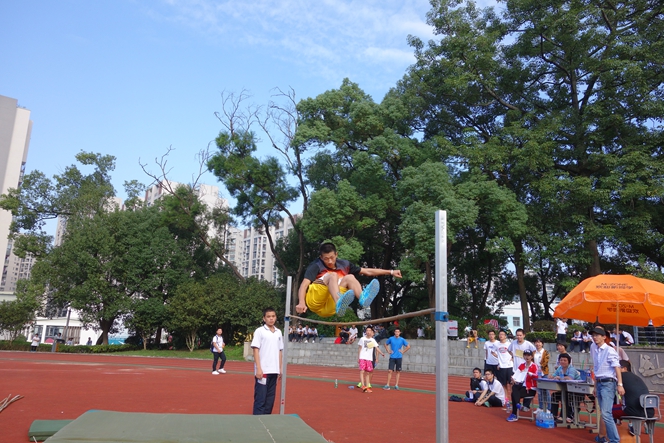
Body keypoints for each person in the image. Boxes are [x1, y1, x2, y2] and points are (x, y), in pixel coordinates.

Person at [296, 242, 402, 317]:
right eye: (326, 259)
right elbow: (304, 285)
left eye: (332, 257)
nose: (329, 261)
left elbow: (367, 271)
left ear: (336, 254)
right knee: (333, 275)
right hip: (315, 301)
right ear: (321, 257)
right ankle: (339, 301)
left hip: (330, 306)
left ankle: (362, 299)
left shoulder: (345, 264)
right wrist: (301, 302)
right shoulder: (316, 265)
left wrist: (391, 272)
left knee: (350, 277)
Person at [590, 325, 624, 443]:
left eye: (597, 335)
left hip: (608, 383)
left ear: (604, 337)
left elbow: (617, 367)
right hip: (600, 382)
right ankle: (607, 438)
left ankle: (614, 440)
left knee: (606, 413)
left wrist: (620, 384)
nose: (594, 337)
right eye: (593, 335)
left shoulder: (610, 350)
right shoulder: (595, 350)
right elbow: (596, 369)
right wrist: (595, 386)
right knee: (604, 413)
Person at [251, 307, 284, 415]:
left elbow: (280, 351)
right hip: (263, 371)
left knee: (270, 400)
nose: (271, 318)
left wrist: (280, 368)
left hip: (274, 370)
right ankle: (257, 420)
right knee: (261, 398)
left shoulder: (278, 332)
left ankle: (267, 420)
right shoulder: (260, 331)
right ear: (264, 318)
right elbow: (255, 349)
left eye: (273, 316)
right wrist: (259, 368)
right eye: (268, 316)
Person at [619, 360, 654, 436]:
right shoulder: (637, 378)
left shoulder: (621, 377)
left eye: (617, 368)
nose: (614, 370)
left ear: (624, 368)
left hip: (633, 411)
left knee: (607, 412)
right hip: (649, 411)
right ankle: (633, 426)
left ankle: (606, 437)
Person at [507, 350, 538, 422]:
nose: (527, 357)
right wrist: (513, 379)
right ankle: (518, 405)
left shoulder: (534, 366)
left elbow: (538, 376)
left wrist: (531, 374)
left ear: (532, 357)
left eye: (528, 355)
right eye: (525, 355)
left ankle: (514, 413)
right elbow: (516, 374)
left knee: (514, 394)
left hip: (530, 389)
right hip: (521, 386)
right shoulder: (522, 365)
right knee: (514, 387)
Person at [550, 353, 581, 423]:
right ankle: (554, 415)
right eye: (561, 360)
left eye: (565, 360)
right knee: (554, 395)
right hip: (566, 390)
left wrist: (560, 377)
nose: (562, 362)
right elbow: (554, 375)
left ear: (569, 362)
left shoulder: (572, 369)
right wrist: (551, 376)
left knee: (567, 397)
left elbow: (570, 378)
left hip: (576, 391)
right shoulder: (559, 368)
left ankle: (566, 416)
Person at [357, 326, 385, 393]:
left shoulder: (372, 340)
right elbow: (360, 348)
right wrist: (358, 357)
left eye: (369, 330)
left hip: (369, 358)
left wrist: (382, 353)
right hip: (362, 357)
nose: (368, 332)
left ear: (372, 332)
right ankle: (363, 385)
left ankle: (367, 387)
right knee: (362, 371)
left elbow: (377, 348)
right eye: (367, 330)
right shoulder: (362, 339)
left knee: (368, 373)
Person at [495, 330, 514, 402]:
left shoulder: (509, 344)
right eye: (500, 334)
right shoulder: (496, 344)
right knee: (504, 384)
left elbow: (514, 352)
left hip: (509, 366)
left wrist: (512, 358)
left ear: (505, 336)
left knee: (511, 383)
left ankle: (513, 398)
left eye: (502, 334)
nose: (501, 336)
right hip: (502, 366)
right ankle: (506, 398)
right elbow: (492, 352)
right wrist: (499, 361)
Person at [533, 337, 550, 412]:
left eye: (539, 342)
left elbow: (545, 362)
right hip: (536, 374)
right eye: (536, 342)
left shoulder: (546, 352)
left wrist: (539, 367)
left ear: (542, 344)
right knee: (539, 391)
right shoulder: (534, 352)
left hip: (544, 373)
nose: (538, 344)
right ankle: (541, 407)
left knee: (546, 391)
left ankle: (549, 408)